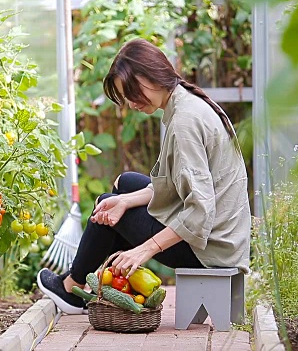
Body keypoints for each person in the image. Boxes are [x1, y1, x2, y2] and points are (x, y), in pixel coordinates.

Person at [37, 38, 251, 315]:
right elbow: (173, 183)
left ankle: (72, 288)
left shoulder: (184, 123)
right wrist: (125, 201)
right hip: (222, 237)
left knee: (106, 203)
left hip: (209, 250)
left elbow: (200, 212)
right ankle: (94, 279)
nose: (130, 103)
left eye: (132, 92)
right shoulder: (187, 103)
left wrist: (144, 250)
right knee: (123, 188)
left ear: (152, 76)